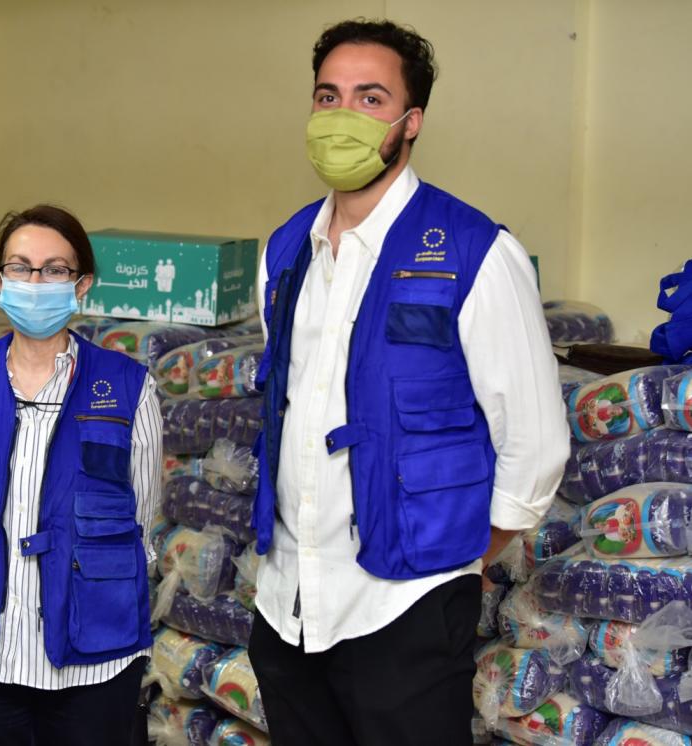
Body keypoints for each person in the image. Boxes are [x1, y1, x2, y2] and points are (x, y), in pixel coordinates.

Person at [247, 19, 569, 745]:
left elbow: (535, 446)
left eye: (368, 98)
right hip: (287, 603)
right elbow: (287, 406)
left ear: (409, 121)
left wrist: (452, 561)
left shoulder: (472, 250)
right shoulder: (285, 248)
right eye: (327, 96)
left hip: (405, 606)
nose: (341, 117)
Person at [0, 204, 160, 746]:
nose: (36, 281)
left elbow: (144, 510)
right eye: (21, 267)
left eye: (54, 269)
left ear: (81, 285)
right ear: (0, 281)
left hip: (93, 652)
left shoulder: (128, 386)